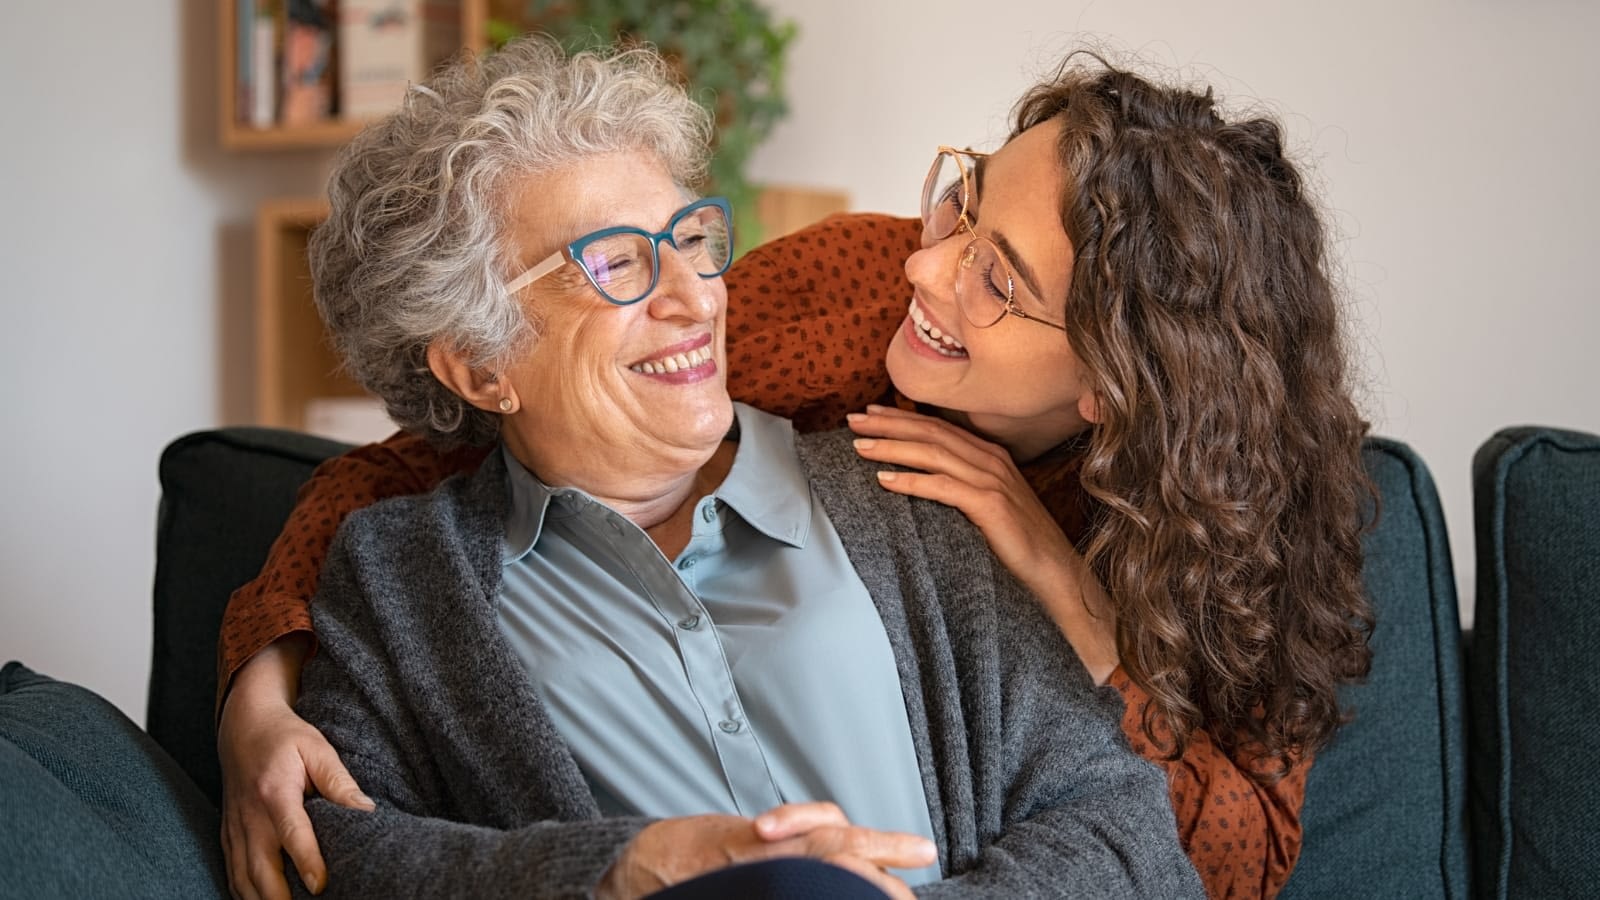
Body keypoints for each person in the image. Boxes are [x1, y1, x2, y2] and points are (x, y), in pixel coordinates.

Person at [218, 48, 1372, 900]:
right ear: (476, 361)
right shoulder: (853, 309)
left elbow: (1173, 846)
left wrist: (1062, 589)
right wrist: (256, 691)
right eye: (618, 260)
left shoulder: (947, 515)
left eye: (688, 241)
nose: (926, 266)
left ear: (1110, 387)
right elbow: (347, 841)